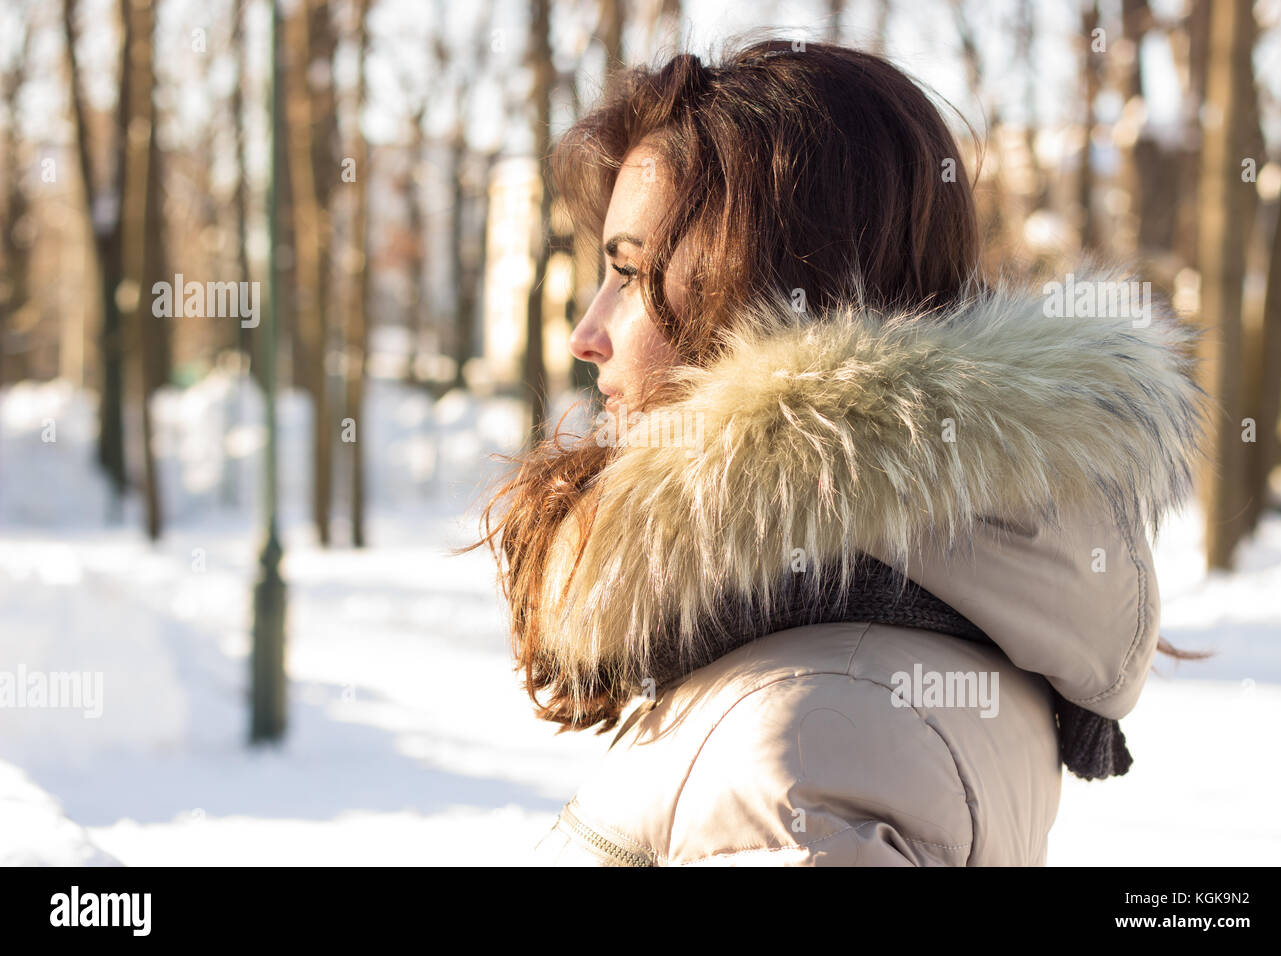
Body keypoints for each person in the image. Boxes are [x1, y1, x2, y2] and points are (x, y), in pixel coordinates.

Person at [478, 39, 1205, 865]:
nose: (587, 335)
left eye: (633, 274)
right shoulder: (897, 616)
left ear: (767, 293)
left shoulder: (805, 745)